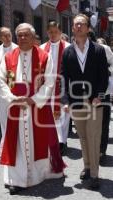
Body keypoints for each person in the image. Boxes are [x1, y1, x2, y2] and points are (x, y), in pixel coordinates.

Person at [0, 23, 66, 195]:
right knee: (16, 143)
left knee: (40, 140)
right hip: (16, 106)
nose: (22, 38)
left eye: (25, 35)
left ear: (33, 37)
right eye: (19, 35)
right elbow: (1, 81)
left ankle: (38, 174)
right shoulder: (8, 57)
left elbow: (50, 82)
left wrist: (33, 99)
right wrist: (13, 99)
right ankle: (16, 178)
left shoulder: (44, 56)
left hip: (37, 107)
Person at [61, 14, 109, 189]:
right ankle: (87, 166)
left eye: (82, 24)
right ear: (73, 28)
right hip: (75, 102)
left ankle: (95, 175)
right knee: (83, 137)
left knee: (94, 136)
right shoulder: (67, 52)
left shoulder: (98, 50)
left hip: (94, 101)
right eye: (76, 24)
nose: (79, 26)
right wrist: (65, 100)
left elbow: (104, 76)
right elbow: (63, 77)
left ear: (88, 28)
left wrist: (99, 96)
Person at [40, 21, 70, 155]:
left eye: (56, 32)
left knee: (63, 115)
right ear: (47, 33)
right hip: (47, 87)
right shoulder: (41, 48)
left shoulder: (68, 47)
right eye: (50, 32)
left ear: (60, 32)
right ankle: (51, 140)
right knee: (49, 115)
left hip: (62, 86)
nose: (53, 34)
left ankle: (62, 141)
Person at [0, 27, 17, 143]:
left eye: (9, 35)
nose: (7, 38)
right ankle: (7, 140)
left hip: (16, 88)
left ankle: (18, 139)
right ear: (0, 38)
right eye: (4, 36)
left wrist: (12, 85)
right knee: (4, 115)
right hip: (1, 89)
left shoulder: (17, 48)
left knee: (17, 114)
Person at [96, 37, 113, 164]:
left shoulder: (105, 49)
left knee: (103, 124)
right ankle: (91, 155)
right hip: (85, 93)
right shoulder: (77, 48)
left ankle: (101, 151)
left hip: (103, 92)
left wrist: (106, 73)